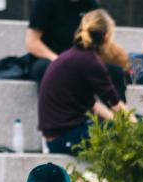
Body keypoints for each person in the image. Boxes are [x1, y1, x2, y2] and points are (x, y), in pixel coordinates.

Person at [38, 9, 132, 154]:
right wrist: (138, 130)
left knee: (120, 127)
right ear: (107, 36)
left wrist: (116, 121)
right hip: (64, 139)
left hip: (58, 137)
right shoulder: (89, 61)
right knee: (122, 135)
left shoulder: (74, 56)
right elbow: (115, 104)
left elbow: (91, 104)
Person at [26, 0, 128, 100]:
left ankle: (118, 115)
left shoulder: (90, 4)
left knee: (116, 72)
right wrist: (59, 61)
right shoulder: (45, 3)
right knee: (50, 69)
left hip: (80, 60)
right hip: (49, 59)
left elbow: (98, 42)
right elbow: (32, 43)